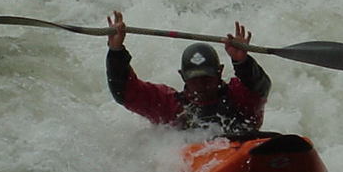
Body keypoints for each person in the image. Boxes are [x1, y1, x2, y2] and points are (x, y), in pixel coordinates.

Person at [106, 11, 271, 133]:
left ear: (219, 72)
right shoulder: (171, 107)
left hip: (246, 152)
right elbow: (125, 93)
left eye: (207, 78)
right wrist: (116, 51)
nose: (201, 85)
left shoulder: (238, 97)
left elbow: (260, 85)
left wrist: (242, 63)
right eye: (194, 79)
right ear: (182, 76)